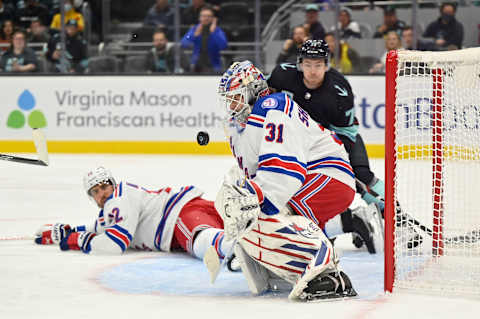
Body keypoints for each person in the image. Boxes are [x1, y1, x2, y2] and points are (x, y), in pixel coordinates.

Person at [216, 60, 362, 301]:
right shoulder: (247, 122)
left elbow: (285, 172)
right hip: (311, 176)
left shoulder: (272, 107)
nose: (231, 105)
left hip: (328, 175)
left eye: (235, 97)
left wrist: (256, 204)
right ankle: (347, 224)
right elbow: (256, 174)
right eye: (228, 99)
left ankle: (326, 274)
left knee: (269, 214)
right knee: (251, 211)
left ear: (252, 92)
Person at [267, 40, 386, 252]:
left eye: (318, 65)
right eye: (308, 64)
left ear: (327, 65)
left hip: (337, 141)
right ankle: (342, 223)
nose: (313, 71)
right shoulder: (282, 75)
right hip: (299, 146)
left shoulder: (339, 90)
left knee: (361, 177)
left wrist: (335, 160)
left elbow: (347, 133)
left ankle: (394, 213)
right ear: (299, 64)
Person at [34, 166, 233, 261]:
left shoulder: (118, 201)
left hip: (180, 217)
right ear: (91, 197)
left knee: (201, 241)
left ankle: (234, 250)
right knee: (238, 224)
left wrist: (79, 240)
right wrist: (67, 231)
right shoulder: (113, 207)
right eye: (96, 191)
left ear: (112, 184)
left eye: (104, 187)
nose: (102, 194)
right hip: (190, 209)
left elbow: (113, 245)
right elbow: (100, 227)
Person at [181, 5, 227, 73]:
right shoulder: (194, 29)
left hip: (214, 65)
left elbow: (223, 45)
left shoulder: (217, 31)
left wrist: (213, 33)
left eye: (209, 16)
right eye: (204, 16)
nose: (206, 18)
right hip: (196, 65)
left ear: (213, 19)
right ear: (199, 18)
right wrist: (194, 35)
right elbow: (184, 43)